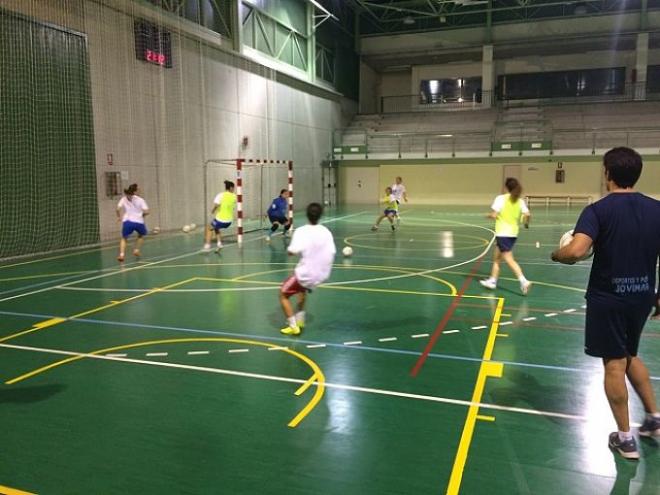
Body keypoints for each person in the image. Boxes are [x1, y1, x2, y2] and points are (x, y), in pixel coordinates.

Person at [551, 147, 660, 459]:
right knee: (629, 355)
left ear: (608, 173)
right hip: (642, 296)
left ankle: (625, 438)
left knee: (613, 363)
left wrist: (557, 253)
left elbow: (574, 252)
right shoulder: (657, 209)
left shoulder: (597, 211)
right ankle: (653, 417)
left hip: (608, 299)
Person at [279, 203, 336, 336]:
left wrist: (292, 250)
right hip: (322, 275)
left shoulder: (301, 231)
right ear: (320, 215)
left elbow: (291, 251)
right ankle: (300, 320)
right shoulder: (326, 231)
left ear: (307, 215)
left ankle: (293, 326)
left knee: (283, 294)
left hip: (305, 274)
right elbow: (331, 252)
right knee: (301, 291)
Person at [479, 178, 532, 295]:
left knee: (509, 259)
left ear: (506, 187)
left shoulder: (501, 199)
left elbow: (494, 215)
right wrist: (526, 223)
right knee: (497, 258)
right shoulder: (520, 201)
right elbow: (527, 214)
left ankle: (523, 281)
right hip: (513, 234)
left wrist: (488, 215)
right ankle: (492, 281)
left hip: (503, 233)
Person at [116, 184, 149, 263]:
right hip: (139, 222)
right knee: (141, 235)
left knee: (124, 238)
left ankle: (121, 255)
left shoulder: (123, 199)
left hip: (127, 221)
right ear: (135, 191)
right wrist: (142, 216)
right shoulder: (140, 200)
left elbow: (117, 209)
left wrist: (118, 217)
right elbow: (147, 211)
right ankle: (136, 250)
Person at [204, 180, 236, 252]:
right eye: (234, 188)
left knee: (209, 228)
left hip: (221, 219)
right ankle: (219, 243)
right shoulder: (234, 196)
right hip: (229, 221)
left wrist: (213, 210)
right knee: (215, 227)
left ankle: (207, 246)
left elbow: (217, 205)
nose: (234, 190)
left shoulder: (220, 195)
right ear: (231, 188)